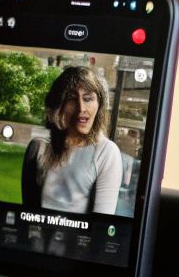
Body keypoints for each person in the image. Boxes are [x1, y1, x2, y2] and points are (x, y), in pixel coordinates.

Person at [20, 65, 123, 214]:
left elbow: (101, 223)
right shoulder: (38, 149)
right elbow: (28, 214)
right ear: (59, 105)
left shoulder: (107, 152)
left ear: (99, 104)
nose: (81, 108)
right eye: (72, 99)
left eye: (88, 99)